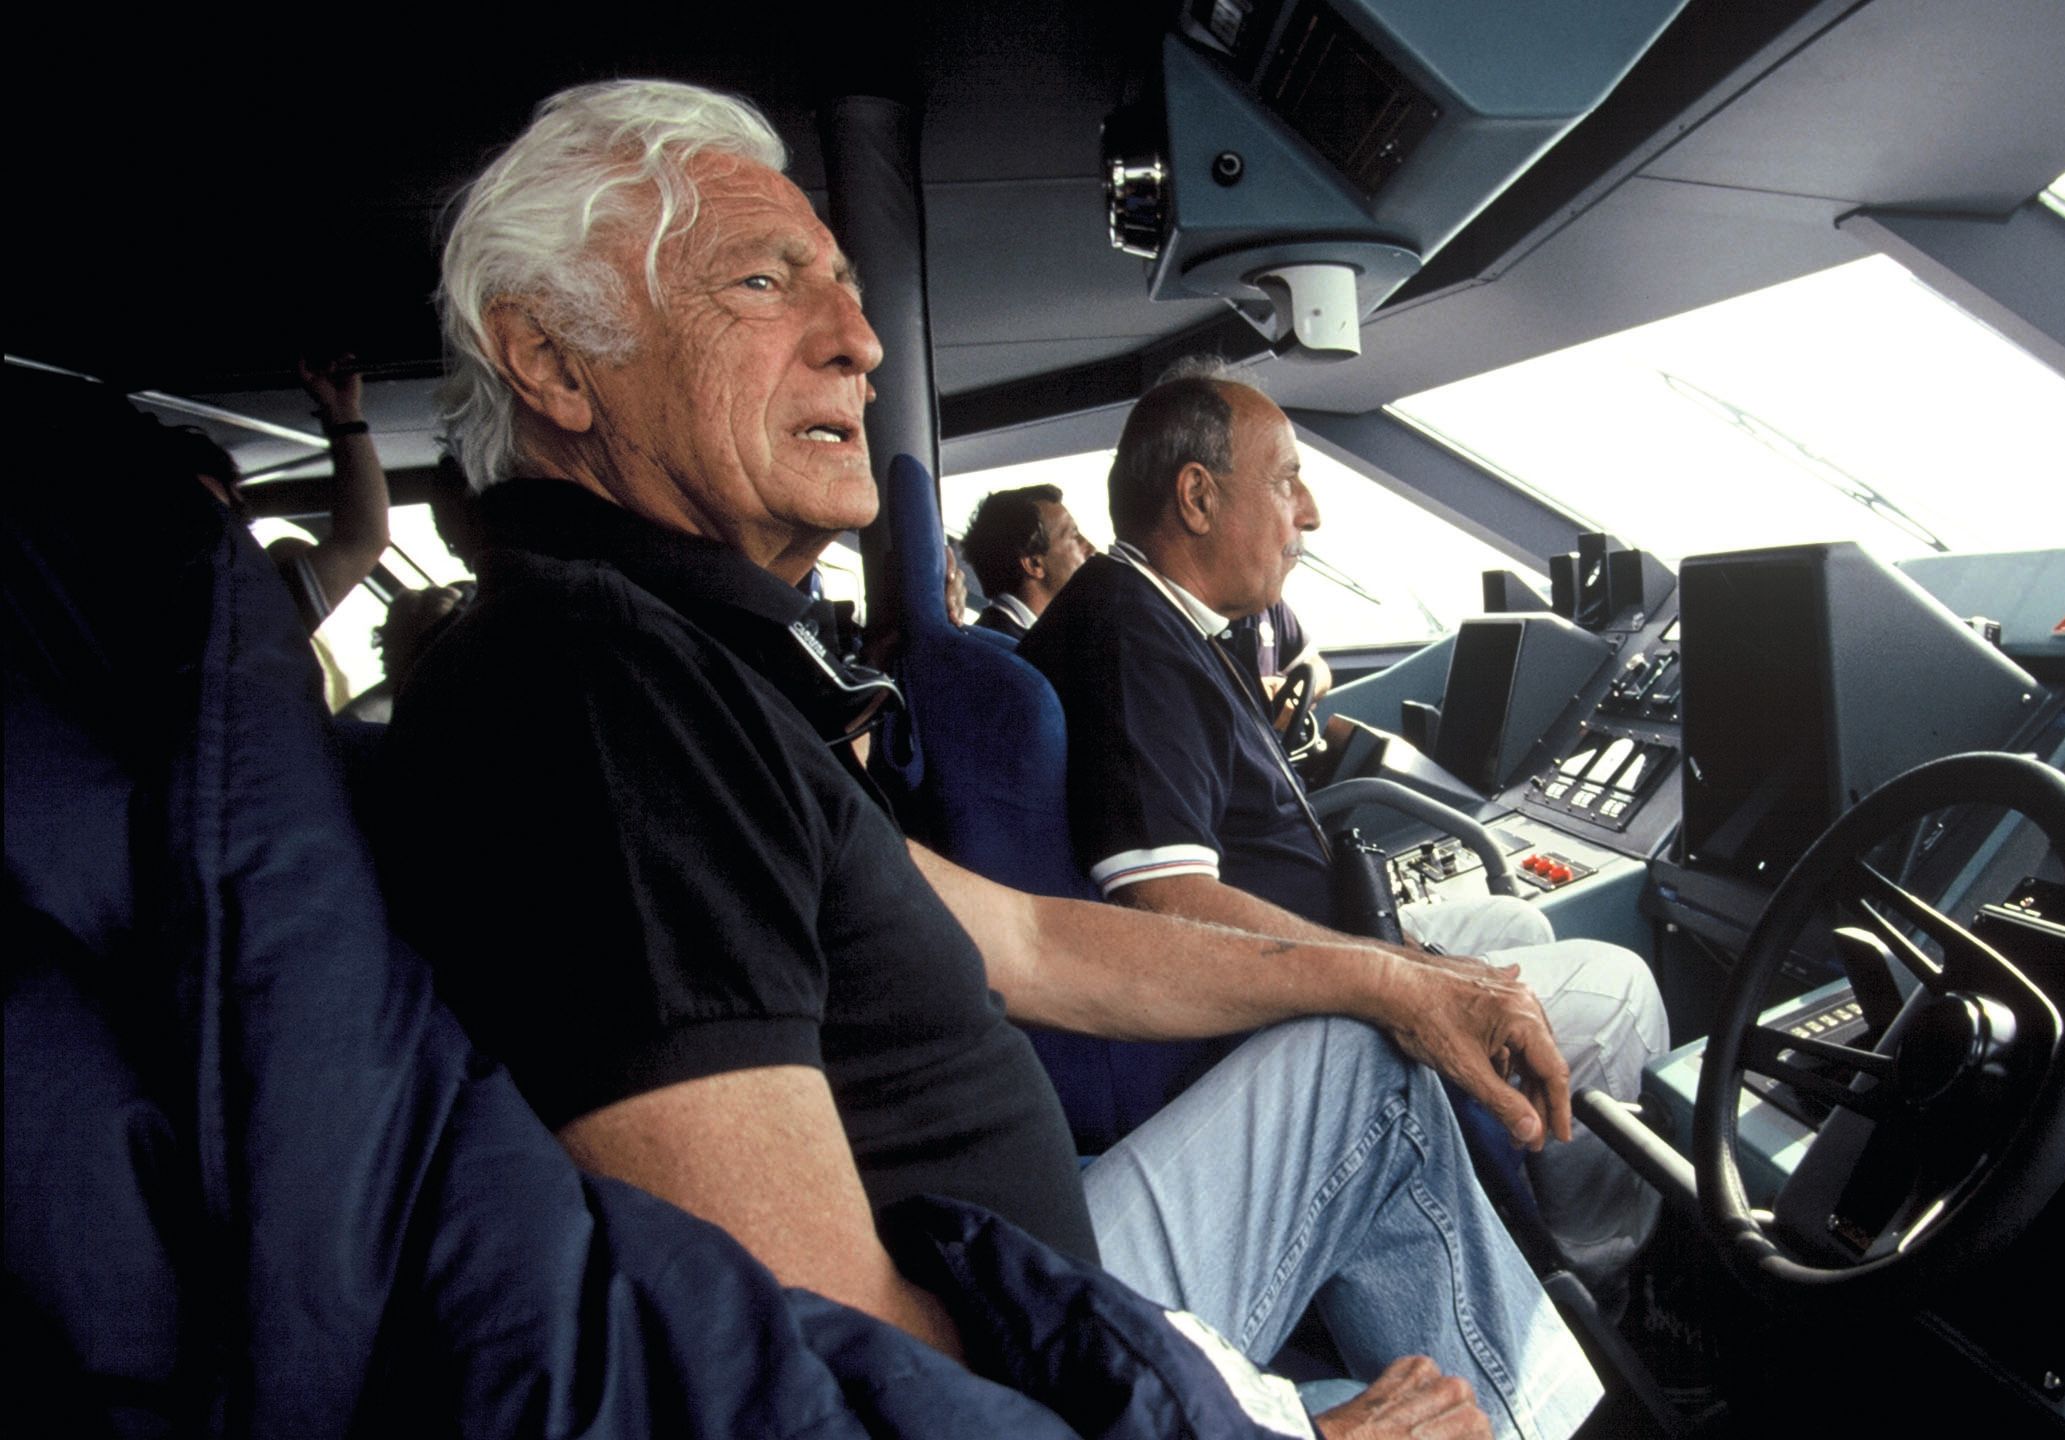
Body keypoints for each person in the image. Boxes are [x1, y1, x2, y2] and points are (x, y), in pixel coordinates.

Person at [379, 79, 1598, 1440]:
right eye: (763, 283)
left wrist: (1392, 977)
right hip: (1020, 1382)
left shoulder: (689, 674)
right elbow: (809, 1365)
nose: (857, 345)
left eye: (842, 289)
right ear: (551, 363)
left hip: (1029, 1303)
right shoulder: (598, 705)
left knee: (1366, 1052)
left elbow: (1030, 944)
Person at [1019, 363, 1669, 1279]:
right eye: (1287, 479)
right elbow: (1166, 906)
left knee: (1515, 921)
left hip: (1310, 937)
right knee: (1621, 987)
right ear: (1198, 498)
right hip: (1266, 1008)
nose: (1311, 512)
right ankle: (1595, 1260)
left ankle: (1522, 1189)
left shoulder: (1159, 620)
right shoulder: (1129, 642)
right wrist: (1393, 978)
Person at [169, 353, 393, 635]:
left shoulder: (245, 609)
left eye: (207, 513)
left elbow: (363, 540)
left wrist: (343, 414)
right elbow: (363, 540)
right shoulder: (245, 613)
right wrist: (343, 414)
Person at [958, 483, 1096, 640]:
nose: (1091, 549)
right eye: (1074, 535)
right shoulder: (1020, 652)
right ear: (1033, 564)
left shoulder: (992, 639)